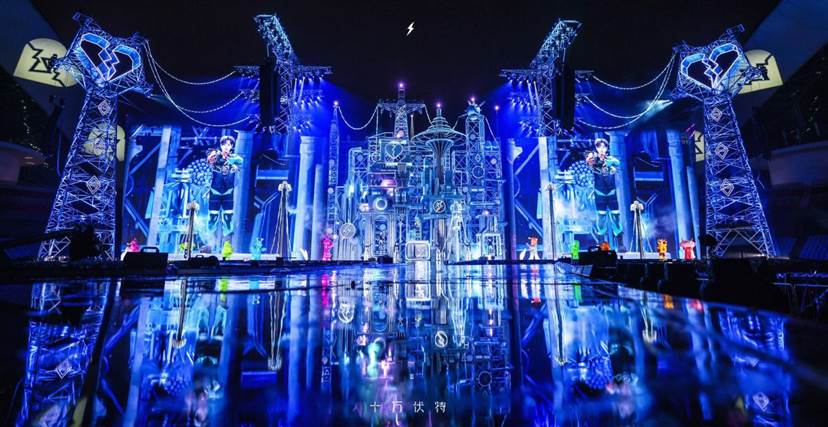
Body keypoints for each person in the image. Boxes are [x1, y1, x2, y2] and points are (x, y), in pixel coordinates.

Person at [585, 138, 622, 247]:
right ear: (596, 148)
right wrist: (592, 158)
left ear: (606, 148)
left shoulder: (611, 160)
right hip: (599, 193)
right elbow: (589, 162)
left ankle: (620, 243)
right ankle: (601, 243)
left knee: (616, 216)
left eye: (603, 147)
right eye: (599, 147)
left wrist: (609, 164)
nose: (601, 149)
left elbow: (617, 163)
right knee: (601, 217)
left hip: (611, 193)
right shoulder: (594, 160)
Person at [207, 136, 243, 244]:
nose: (226, 147)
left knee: (228, 217)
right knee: (213, 217)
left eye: (229, 144)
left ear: (232, 146)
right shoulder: (216, 155)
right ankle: (210, 241)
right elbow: (210, 160)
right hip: (215, 190)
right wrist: (216, 156)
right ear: (221, 145)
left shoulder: (234, 158)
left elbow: (240, 161)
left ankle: (227, 243)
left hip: (228, 190)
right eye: (224, 144)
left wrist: (232, 162)